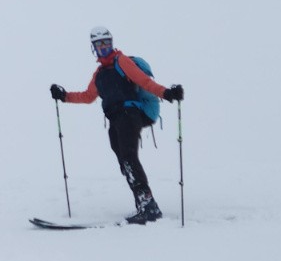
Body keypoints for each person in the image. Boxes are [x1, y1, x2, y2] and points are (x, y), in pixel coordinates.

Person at [49, 26, 184, 224]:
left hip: (130, 114)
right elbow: (88, 97)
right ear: (93, 47)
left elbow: (144, 82)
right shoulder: (99, 73)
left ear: (111, 43)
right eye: (99, 44)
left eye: (106, 42)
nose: (103, 47)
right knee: (124, 161)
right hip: (115, 119)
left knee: (129, 158)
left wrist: (167, 94)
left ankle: (148, 206)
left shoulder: (122, 61)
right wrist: (64, 96)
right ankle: (144, 204)